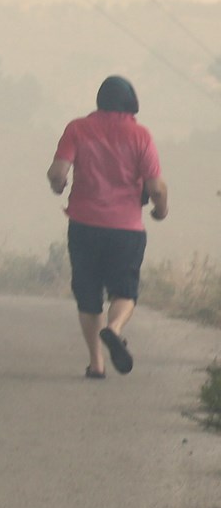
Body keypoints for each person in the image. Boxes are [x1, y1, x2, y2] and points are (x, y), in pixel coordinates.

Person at [47, 74, 167, 378]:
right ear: (132, 104)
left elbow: (57, 172)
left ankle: (96, 363)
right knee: (124, 290)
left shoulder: (78, 128)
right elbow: (156, 188)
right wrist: (160, 211)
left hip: (85, 226)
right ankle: (114, 328)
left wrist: (59, 186)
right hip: (126, 229)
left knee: (88, 294)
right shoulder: (141, 135)